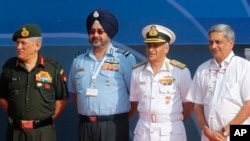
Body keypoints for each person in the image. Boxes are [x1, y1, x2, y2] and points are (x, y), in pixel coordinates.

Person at [67, 8, 136, 141]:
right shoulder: (79, 60)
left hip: (114, 125)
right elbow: (75, 94)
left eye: (100, 31)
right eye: (92, 32)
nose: (95, 35)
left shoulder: (124, 58)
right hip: (86, 125)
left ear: (109, 33)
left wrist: (118, 119)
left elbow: (135, 97)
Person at [0, 23, 68, 141]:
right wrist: (17, 116)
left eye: (23, 43)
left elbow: (61, 99)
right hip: (16, 133)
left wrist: (43, 121)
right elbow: (2, 97)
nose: (18, 47)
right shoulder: (9, 68)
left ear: (37, 45)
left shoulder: (52, 69)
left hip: (43, 133)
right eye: (17, 43)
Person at [186, 24, 250, 141]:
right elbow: (197, 105)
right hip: (210, 136)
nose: (213, 46)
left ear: (231, 43)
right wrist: (206, 130)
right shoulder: (202, 69)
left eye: (218, 42)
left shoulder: (245, 68)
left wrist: (225, 132)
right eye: (211, 42)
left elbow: (249, 105)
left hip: (237, 133)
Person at [129, 24, 193, 141]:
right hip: (144, 131)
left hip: (170, 132)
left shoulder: (180, 71)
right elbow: (134, 101)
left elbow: (188, 104)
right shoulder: (137, 71)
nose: (151, 49)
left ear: (166, 48)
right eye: (149, 45)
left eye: (156, 45)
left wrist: (172, 121)